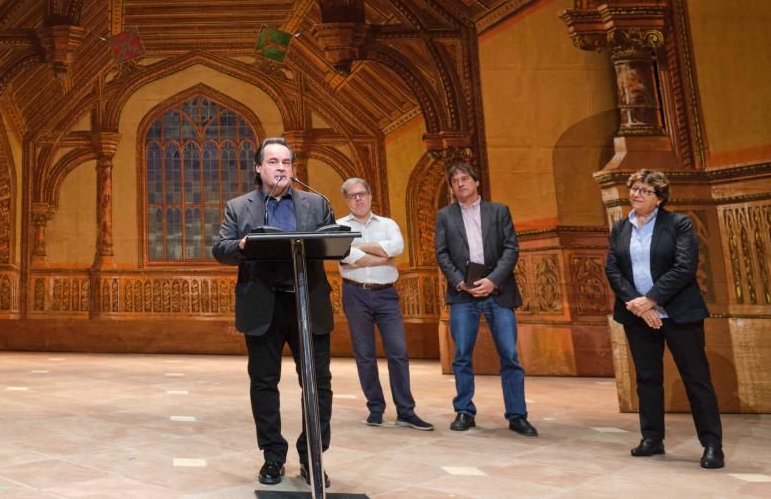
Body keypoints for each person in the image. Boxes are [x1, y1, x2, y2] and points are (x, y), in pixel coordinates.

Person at [212, 137, 335, 488]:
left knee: (317, 384)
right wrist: (241, 245)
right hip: (264, 305)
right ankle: (273, 457)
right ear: (258, 168)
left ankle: (312, 455)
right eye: (274, 162)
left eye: (287, 162)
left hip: (307, 303)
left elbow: (331, 240)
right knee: (265, 384)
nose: (282, 168)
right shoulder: (240, 207)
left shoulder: (316, 203)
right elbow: (220, 248)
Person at [604, 169, 724, 468]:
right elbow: (612, 268)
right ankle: (652, 438)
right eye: (633, 188)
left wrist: (652, 299)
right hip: (638, 316)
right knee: (647, 379)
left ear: (659, 198)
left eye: (644, 190)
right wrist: (638, 305)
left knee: (696, 379)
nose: (635, 194)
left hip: (679, 314)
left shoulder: (678, 223)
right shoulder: (621, 228)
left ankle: (712, 444)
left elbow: (685, 267)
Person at [434, 161, 537, 437]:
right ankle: (464, 411)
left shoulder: (499, 211)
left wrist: (492, 281)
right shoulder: (445, 216)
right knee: (462, 356)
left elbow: (511, 249)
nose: (460, 184)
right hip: (462, 295)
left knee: (509, 355)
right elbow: (442, 254)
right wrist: (460, 282)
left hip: (498, 291)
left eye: (465, 178)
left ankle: (517, 415)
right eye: (454, 181)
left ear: (477, 182)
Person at [336, 177, 432, 430]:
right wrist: (382, 256)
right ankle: (375, 408)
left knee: (398, 352)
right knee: (365, 355)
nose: (358, 199)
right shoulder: (338, 227)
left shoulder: (388, 224)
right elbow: (345, 257)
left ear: (370, 195)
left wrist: (359, 248)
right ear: (347, 200)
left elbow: (397, 247)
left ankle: (406, 411)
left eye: (362, 194)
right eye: (353, 195)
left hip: (387, 295)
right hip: (355, 294)